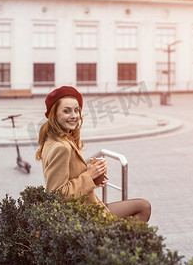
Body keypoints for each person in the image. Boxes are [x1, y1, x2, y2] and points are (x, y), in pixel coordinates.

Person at [36, 85, 151, 222]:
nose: (73, 116)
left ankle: (117, 238)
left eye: (76, 110)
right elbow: (57, 195)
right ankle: (113, 241)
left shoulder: (54, 138)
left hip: (86, 208)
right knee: (143, 207)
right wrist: (89, 175)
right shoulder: (62, 147)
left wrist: (93, 177)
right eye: (66, 111)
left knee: (142, 206)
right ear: (54, 114)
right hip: (83, 216)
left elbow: (67, 178)